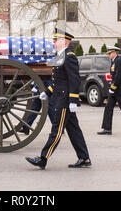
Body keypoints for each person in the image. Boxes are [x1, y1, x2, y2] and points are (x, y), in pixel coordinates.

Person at [25, 28, 91, 169]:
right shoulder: (61, 56)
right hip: (61, 97)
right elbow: (60, 82)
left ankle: (43, 158)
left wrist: (73, 100)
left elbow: (74, 80)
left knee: (57, 130)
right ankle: (84, 158)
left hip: (65, 101)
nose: (54, 42)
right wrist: (47, 92)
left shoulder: (69, 56)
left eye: (56, 40)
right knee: (74, 130)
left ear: (64, 42)